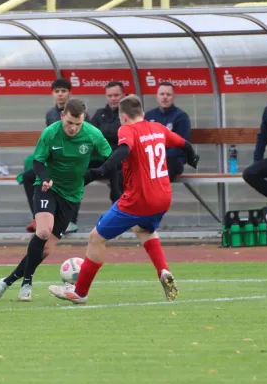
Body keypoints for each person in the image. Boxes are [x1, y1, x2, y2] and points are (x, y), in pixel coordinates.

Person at [48, 94, 199, 304]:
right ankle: (163, 270)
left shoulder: (126, 129)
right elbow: (185, 144)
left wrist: (99, 171)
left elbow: (124, 150)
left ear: (123, 117)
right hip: (163, 198)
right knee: (143, 229)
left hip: (139, 199)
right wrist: (193, 158)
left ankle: (80, 292)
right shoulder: (157, 128)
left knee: (95, 238)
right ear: (143, 114)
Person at [0, 98, 112, 302]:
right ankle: (27, 282)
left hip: (71, 196)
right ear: (63, 116)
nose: (73, 128)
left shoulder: (93, 134)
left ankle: (7, 281)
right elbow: (38, 161)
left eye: (78, 124)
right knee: (43, 231)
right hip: (48, 188)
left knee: (45, 250)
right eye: (69, 123)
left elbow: (110, 158)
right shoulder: (50, 133)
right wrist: (45, 178)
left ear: (84, 120)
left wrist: (94, 174)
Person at [20, 78, 80, 234]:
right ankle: (38, 217)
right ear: (53, 94)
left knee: (72, 178)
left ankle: (70, 221)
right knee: (28, 177)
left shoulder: (78, 112)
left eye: (63, 91)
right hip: (53, 161)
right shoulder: (50, 114)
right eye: (57, 91)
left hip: (73, 160)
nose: (60, 94)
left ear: (69, 93)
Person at [85, 81, 125, 203]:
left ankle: (120, 217)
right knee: (76, 176)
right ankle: (69, 218)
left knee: (118, 180)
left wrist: (103, 134)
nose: (113, 99)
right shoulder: (100, 114)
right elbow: (89, 135)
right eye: (110, 96)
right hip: (100, 160)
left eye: (116, 95)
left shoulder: (128, 114)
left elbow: (125, 135)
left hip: (120, 162)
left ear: (123, 95)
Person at [145, 82, 191, 181]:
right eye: (162, 94)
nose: (165, 97)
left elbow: (181, 144)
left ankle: (157, 196)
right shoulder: (148, 116)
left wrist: (160, 157)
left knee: (159, 174)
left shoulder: (181, 117)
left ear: (173, 97)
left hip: (172, 161)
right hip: (151, 160)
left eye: (168, 94)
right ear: (157, 96)